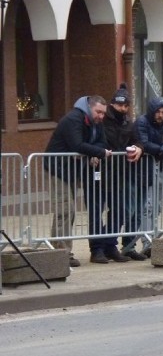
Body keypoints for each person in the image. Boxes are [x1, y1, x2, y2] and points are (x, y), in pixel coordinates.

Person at [42, 95, 111, 267]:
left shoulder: (94, 123)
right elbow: (77, 145)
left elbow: (102, 141)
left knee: (68, 211)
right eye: (99, 112)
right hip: (59, 169)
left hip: (71, 171)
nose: (101, 117)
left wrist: (97, 151)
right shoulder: (74, 119)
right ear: (89, 107)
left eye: (103, 113)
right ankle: (61, 252)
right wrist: (99, 153)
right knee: (65, 210)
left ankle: (60, 250)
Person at [94, 84, 142, 263]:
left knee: (120, 211)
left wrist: (139, 147)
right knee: (97, 212)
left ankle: (110, 244)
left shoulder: (128, 122)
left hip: (120, 173)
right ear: (112, 104)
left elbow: (137, 139)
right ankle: (97, 248)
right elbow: (96, 140)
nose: (122, 109)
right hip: (101, 172)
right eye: (119, 105)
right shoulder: (102, 120)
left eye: (125, 106)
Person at [126, 96, 163, 256]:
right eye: (158, 112)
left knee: (156, 207)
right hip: (142, 169)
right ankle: (143, 242)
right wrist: (161, 148)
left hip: (158, 168)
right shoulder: (141, 122)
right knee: (145, 208)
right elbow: (143, 143)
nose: (160, 115)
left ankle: (148, 240)